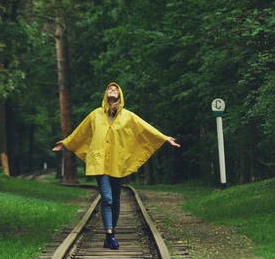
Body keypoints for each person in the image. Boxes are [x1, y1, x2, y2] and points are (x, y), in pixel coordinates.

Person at [52, 82, 180, 249]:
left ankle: (111, 233)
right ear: (106, 94)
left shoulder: (127, 116)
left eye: (115, 89)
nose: (112, 90)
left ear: (120, 95)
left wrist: (164, 138)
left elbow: (144, 128)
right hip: (100, 162)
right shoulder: (95, 115)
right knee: (107, 198)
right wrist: (67, 142)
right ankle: (110, 234)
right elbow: (81, 131)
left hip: (118, 162)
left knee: (116, 199)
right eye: (109, 89)